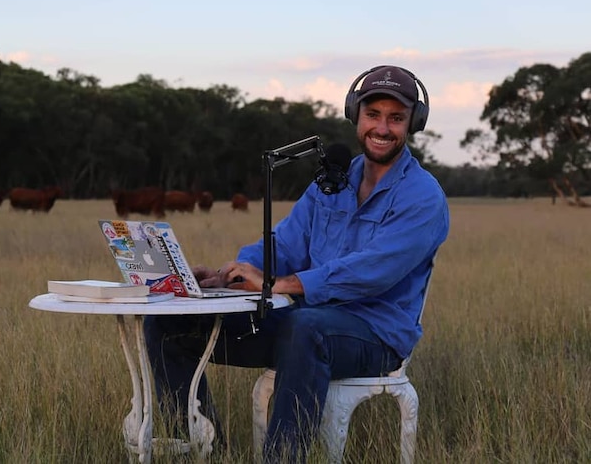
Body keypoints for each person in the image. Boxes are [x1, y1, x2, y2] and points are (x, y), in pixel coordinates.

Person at [144, 65, 450, 462]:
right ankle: (200, 450)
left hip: (374, 335)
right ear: (355, 115)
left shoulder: (423, 196)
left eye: (396, 118)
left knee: (306, 327)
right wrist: (230, 273)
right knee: (169, 322)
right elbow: (283, 243)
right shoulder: (332, 181)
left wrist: (276, 285)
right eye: (374, 115)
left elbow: (372, 272)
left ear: (414, 123)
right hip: (301, 325)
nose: (383, 128)